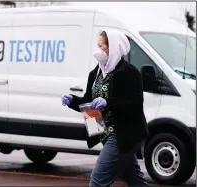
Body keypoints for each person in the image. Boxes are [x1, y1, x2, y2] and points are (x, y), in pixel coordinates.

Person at [61, 30, 149, 187]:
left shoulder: (129, 73)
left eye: (101, 46)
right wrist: (72, 101)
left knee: (97, 182)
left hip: (124, 135)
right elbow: (89, 102)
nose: (97, 50)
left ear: (114, 47)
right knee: (136, 181)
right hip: (104, 134)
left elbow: (135, 105)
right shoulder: (95, 73)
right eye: (98, 46)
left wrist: (108, 102)